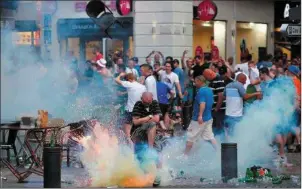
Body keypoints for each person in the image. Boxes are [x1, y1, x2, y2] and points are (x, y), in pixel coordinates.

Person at [131, 92, 162, 187]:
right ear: (141, 99)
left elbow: (157, 119)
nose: (148, 104)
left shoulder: (155, 103)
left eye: (149, 102)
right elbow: (135, 122)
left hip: (150, 134)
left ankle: (158, 175)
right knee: (140, 155)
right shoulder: (138, 105)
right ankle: (143, 175)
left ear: (152, 99)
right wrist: (149, 117)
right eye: (146, 103)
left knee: (157, 152)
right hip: (137, 132)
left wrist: (142, 120)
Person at [184, 75, 217, 155]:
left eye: (195, 82)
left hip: (198, 119)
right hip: (208, 118)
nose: (194, 83)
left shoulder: (201, 91)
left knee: (190, 137)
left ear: (200, 81)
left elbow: (202, 103)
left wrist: (200, 116)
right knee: (210, 137)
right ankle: (219, 152)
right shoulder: (209, 90)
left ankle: (185, 156)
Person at [223, 73, 261, 140]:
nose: (245, 82)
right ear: (241, 79)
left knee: (228, 133)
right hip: (236, 115)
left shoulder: (228, 85)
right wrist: (257, 93)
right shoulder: (239, 85)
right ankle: (235, 148)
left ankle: (228, 146)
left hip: (228, 113)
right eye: (245, 80)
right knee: (236, 134)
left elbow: (223, 96)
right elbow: (245, 97)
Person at [115, 72, 146, 144]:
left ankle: (129, 147)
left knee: (127, 132)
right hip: (140, 111)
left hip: (131, 111)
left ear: (129, 79)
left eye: (126, 79)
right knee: (137, 131)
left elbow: (116, 80)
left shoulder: (130, 84)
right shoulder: (143, 87)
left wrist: (120, 75)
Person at [203, 69, 226, 135]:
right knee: (214, 128)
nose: (206, 79)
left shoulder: (219, 80)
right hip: (213, 110)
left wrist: (216, 109)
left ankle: (221, 142)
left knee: (219, 128)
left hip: (219, 110)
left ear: (210, 75)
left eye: (206, 77)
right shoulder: (212, 81)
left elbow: (221, 96)